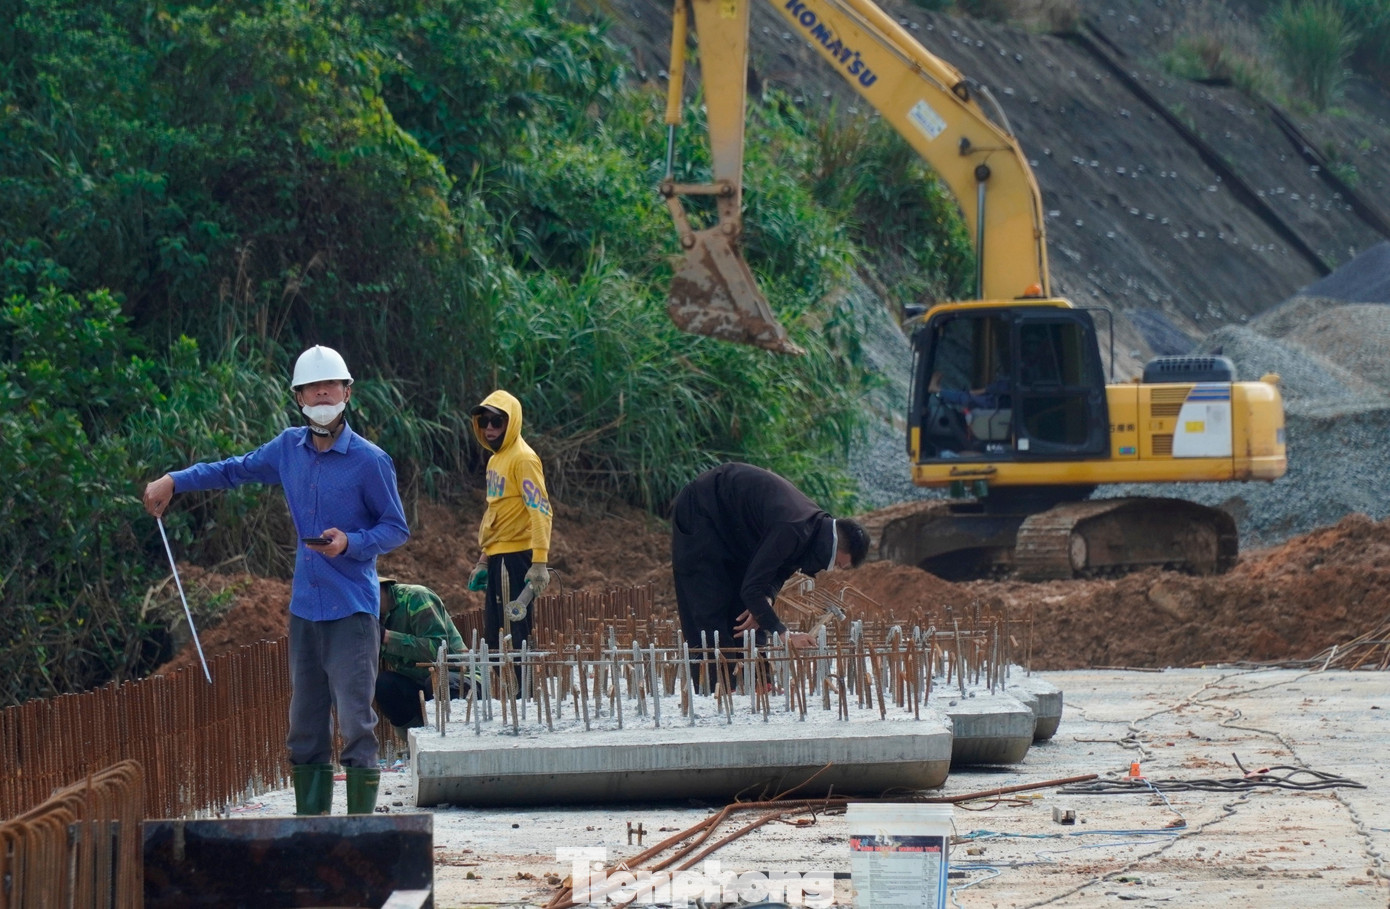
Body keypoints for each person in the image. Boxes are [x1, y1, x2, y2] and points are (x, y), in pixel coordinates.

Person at [142, 345, 409, 817]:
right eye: (312, 387)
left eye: (331, 385)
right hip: (306, 608)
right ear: (299, 397)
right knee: (304, 726)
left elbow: (395, 528)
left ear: (348, 393)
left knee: (355, 722)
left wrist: (350, 542)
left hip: (352, 609)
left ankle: (362, 829)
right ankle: (313, 828)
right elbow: (233, 470)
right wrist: (174, 480)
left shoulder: (371, 461)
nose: (322, 393)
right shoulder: (288, 449)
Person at [670, 463, 869, 689]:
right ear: (835, 549)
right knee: (710, 610)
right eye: (839, 565)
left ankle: (757, 685)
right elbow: (751, 589)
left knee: (747, 616)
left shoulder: (810, 531)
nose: (831, 570)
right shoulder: (792, 528)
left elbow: (778, 572)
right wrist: (784, 635)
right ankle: (720, 691)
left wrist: (766, 600)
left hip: (735, 533)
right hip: (703, 511)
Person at [466, 390, 552, 651]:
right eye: (484, 421)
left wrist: (539, 562)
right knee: (495, 632)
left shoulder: (523, 459)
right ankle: (503, 691)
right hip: (497, 558)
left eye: (497, 421)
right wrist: (484, 559)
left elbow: (540, 510)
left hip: (514, 558)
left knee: (512, 632)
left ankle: (519, 691)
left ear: (512, 422)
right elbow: (497, 512)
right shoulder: (495, 460)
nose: (489, 428)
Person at [376, 577, 467, 756]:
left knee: (438, 683)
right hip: (418, 685)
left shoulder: (417, 598)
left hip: (459, 678)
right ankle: (419, 742)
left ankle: (456, 742)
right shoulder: (372, 616)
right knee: (383, 684)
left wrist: (387, 637)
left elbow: (438, 651)